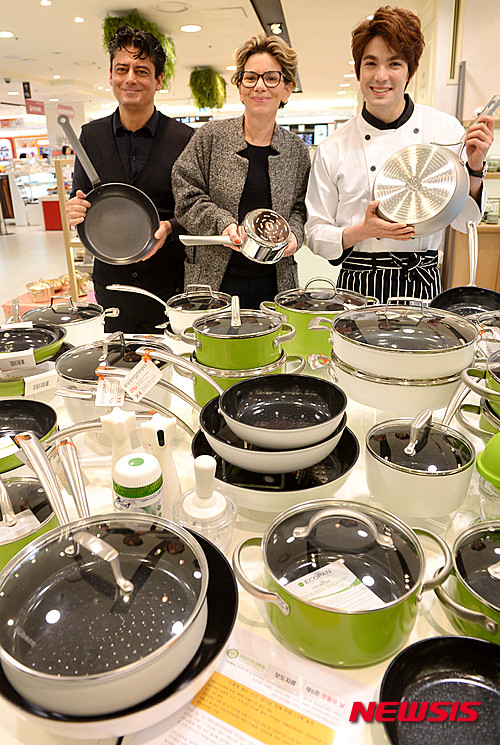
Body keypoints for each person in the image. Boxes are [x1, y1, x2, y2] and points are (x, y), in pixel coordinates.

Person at [305, 6, 495, 303]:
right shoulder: (333, 147)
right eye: (371, 63)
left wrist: (474, 167)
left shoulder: (445, 129)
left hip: (421, 281)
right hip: (357, 283)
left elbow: (464, 222)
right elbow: (315, 232)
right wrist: (362, 231)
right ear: (358, 71)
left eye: (394, 63)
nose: (381, 76)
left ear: (410, 71)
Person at [66, 25, 193, 333]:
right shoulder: (91, 136)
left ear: (158, 80)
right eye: (122, 69)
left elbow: (196, 210)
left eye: (142, 71)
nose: (130, 79)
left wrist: (169, 227)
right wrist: (75, 209)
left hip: (169, 283)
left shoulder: (184, 139)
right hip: (111, 284)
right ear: (111, 75)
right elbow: (79, 198)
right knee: (116, 357)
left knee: (170, 358)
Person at [171, 34, 311, 309]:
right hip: (213, 281)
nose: (260, 85)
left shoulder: (296, 150)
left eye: (271, 78)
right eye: (250, 77)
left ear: (287, 89)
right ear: (240, 87)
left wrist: (294, 234)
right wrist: (222, 224)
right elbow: (185, 194)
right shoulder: (210, 137)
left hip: (276, 282)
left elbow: (301, 207)